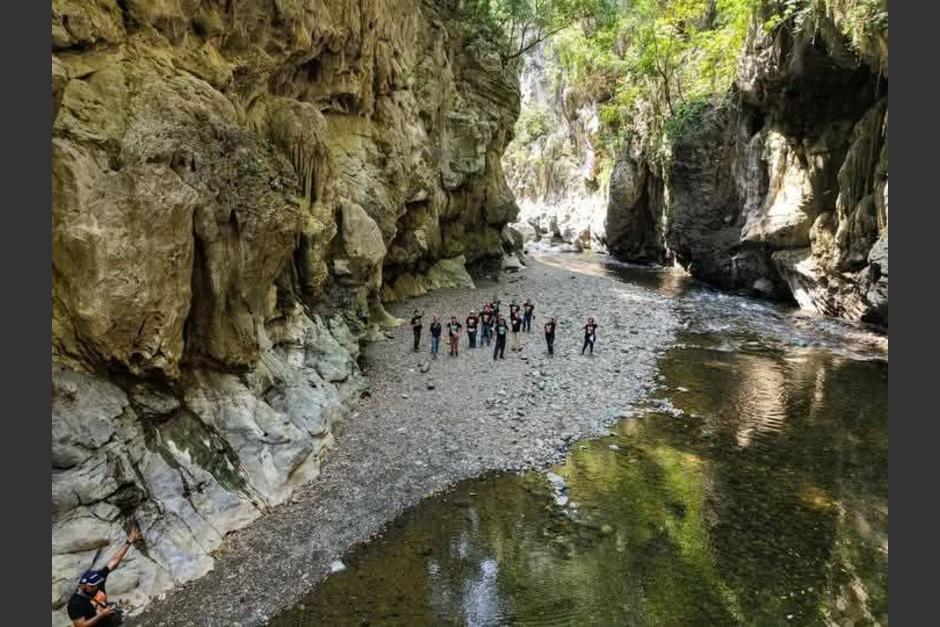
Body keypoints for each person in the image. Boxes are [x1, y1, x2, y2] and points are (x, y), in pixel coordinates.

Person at [67, 526, 142, 626]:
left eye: (96, 584)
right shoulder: (75, 604)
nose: (96, 586)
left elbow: (114, 561)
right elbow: (81, 625)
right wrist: (101, 615)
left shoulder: (98, 579)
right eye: (92, 585)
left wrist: (129, 541)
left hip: (107, 619)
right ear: (82, 586)